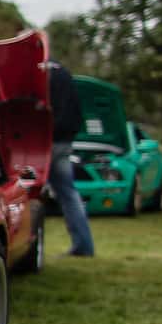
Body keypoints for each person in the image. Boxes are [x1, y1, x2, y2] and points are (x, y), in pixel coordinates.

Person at [45, 60, 94, 258]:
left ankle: (26, 245)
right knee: (68, 194)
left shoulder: (40, 71)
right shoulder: (63, 72)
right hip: (64, 141)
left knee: (23, 192)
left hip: (44, 141)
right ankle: (83, 245)